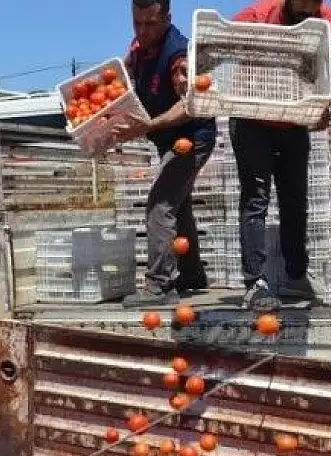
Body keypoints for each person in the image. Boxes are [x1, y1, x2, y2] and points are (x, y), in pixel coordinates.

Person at [231, 0, 331, 312]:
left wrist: (329, 105)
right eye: (299, 5)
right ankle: (255, 283)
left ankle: (296, 273)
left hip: (294, 120)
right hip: (251, 119)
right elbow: (213, 53)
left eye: (311, 7)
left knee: (295, 201)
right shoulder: (256, 17)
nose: (305, 12)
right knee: (255, 197)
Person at [114, 0, 218, 308]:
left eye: (151, 24)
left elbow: (188, 106)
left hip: (191, 138)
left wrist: (150, 124)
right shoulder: (137, 49)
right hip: (167, 140)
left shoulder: (178, 55)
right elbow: (123, 85)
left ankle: (160, 285)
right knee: (178, 206)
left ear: (167, 18)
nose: (143, 32)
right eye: (137, 24)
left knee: (160, 205)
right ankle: (191, 275)